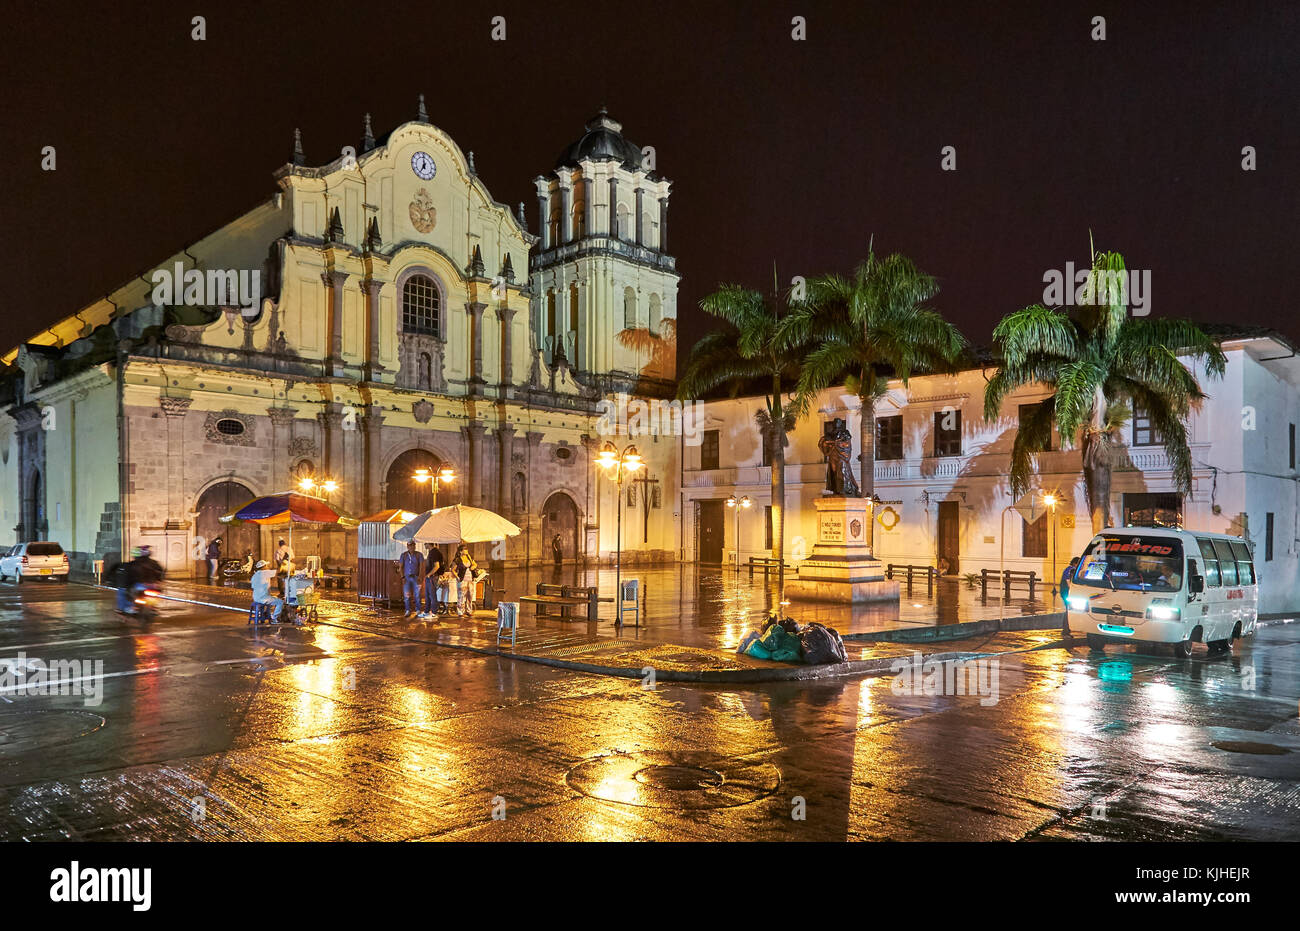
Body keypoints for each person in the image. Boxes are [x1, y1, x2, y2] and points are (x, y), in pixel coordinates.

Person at [118, 546, 164, 616]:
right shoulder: (155, 563)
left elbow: (128, 578)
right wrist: (158, 582)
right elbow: (161, 573)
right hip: (154, 586)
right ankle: (152, 608)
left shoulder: (132, 565)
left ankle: (126, 608)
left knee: (122, 591)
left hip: (140, 586)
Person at [397, 541, 425, 618]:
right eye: (410, 546)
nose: (412, 547)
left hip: (416, 577)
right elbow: (400, 567)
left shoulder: (419, 554)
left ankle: (418, 610)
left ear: (415, 546)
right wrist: (402, 577)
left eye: (413, 545)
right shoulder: (404, 555)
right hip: (407, 577)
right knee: (406, 595)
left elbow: (421, 566)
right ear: (407, 546)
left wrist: (420, 576)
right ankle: (407, 610)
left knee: (417, 595)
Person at [420, 543, 445, 618]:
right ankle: (426, 611)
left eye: (425, 543)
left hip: (433, 577)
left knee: (432, 595)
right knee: (428, 595)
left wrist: (429, 574)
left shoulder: (434, 552)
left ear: (429, 543)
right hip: (430, 577)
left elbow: (437, 566)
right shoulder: (432, 552)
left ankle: (434, 613)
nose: (424, 544)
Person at [454, 544, 477, 617]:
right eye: (465, 549)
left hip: (470, 579)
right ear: (461, 551)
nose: (466, 550)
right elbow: (452, 570)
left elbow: (475, 564)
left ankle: (469, 610)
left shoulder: (469, 557)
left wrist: (473, 567)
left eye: (466, 549)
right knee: (461, 596)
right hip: (462, 579)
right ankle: (460, 611)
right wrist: (457, 577)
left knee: (470, 595)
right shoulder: (457, 560)